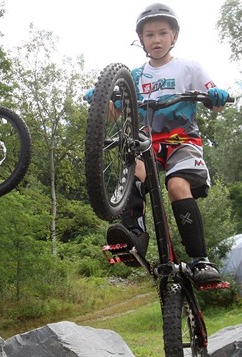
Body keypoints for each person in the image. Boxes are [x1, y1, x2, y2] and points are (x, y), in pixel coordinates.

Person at [85, 3, 230, 286]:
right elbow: (115, 114)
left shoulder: (189, 66)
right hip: (146, 143)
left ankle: (200, 260)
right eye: (149, 35)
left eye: (163, 33)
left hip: (182, 140)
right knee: (134, 172)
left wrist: (217, 97)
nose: (156, 40)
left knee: (176, 186)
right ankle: (134, 236)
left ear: (174, 36)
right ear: (141, 40)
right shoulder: (135, 77)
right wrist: (101, 99)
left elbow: (216, 105)